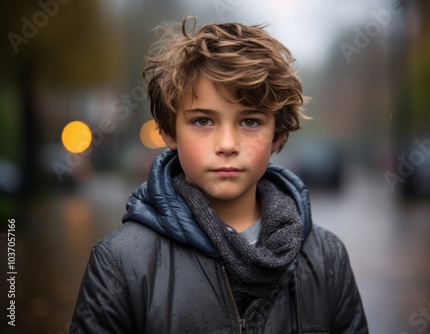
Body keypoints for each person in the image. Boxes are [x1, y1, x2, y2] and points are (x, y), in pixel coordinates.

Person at [70, 16, 368, 333]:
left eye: (250, 121)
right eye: (203, 121)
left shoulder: (327, 259)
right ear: (170, 132)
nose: (227, 145)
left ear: (277, 135)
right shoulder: (120, 262)